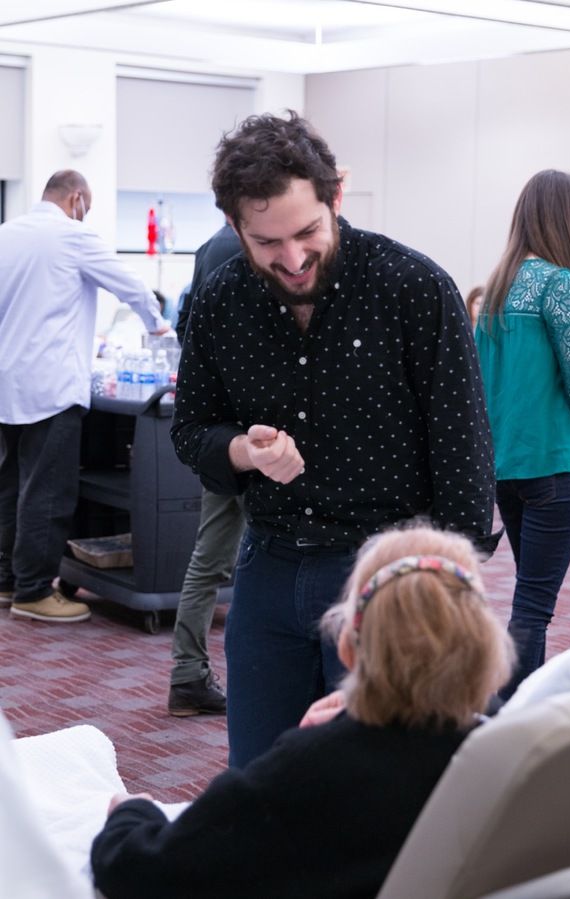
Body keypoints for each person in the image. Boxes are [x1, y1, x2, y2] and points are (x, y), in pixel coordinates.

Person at [171, 110, 499, 768]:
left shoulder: (412, 289)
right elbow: (191, 430)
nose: (291, 260)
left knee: (375, 785)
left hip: (385, 577)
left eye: (306, 232)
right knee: (257, 780)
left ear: (335, 198)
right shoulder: (221, 299)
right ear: (234, 227)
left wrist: (442, 611)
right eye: (267, 242)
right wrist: (244, 451)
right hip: (266, 571)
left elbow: (465, 471)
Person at [90, 525, 513, 899]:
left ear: (348, 644)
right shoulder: (506, 749)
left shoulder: (313, 766)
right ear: (483, 642)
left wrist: (130, 813)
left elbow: (142, 871)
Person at [0, 170, 170, 623]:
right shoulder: (72, 236)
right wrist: (158, 326)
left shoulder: (7, 235)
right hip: (51, 384)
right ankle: (35, 591)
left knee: (11, 485)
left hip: (7, 382)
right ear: (76, 198)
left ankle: (7, 580)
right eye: (88, 207)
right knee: (48, 491)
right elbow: (131, 284)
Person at [476, 169, 570, 700]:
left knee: (530, 603)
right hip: (554, 463)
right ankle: (502, 718)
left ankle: (519, 713)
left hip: (510, 469)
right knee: (533, 609)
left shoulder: (500, 284)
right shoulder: (560, 282)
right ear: (564, 219)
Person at [169, 223, 245, 717]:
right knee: (273, 560)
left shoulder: (206, 249)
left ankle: (188, 675)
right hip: (256, 432)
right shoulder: (253, 252)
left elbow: (184, 329)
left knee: (209, 559)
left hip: (220, 430)